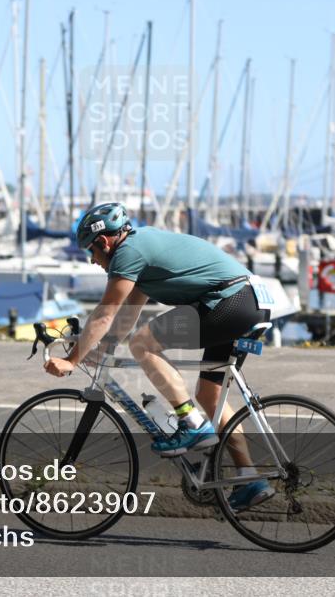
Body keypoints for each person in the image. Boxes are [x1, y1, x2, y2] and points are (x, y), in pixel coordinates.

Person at [43, 202, 274, 511]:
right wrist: (101, 350)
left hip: (229, 302)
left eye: (92, 252)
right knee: (209, 394)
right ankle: (250, 477)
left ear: (104, 241)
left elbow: (105, 314)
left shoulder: (128, 253)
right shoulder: (138, 250)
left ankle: (190, 424)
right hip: (247, 301)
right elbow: (126, 314)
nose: (94, 260)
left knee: (143, 344)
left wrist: (71, 360)